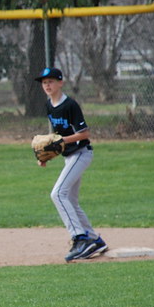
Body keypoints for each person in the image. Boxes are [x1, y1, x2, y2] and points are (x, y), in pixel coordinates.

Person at [34, 67, 107, 262]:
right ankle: (94, 240)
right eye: (44, 82)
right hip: (70, 156)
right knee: (71, 201)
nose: (47, 85)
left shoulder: (70, 105)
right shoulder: (49, 105)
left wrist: (62, 141)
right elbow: (56, 137)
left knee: (58, 194)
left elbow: (84, 134)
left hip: (81, 154)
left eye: (51, 81)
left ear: (61, 83)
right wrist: (46, 155)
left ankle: (79, 238)